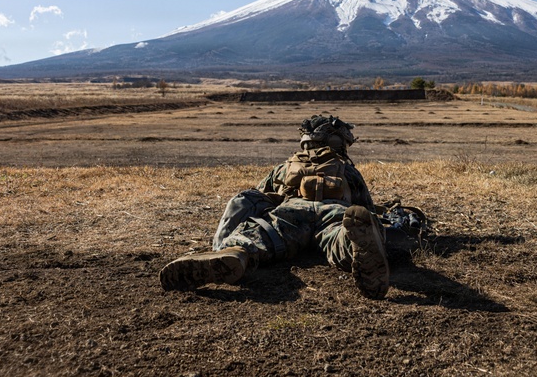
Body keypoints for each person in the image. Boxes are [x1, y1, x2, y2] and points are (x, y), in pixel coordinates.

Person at [159, 114, 390, 299]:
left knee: (259, 237)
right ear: (339, 143)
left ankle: (236, 253)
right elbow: (365, 207)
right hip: (334, 213)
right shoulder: (347, 170)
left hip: (290, 213)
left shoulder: (284, 168)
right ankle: (351, 245)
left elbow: (260, 197)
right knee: (337, 237)